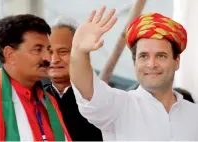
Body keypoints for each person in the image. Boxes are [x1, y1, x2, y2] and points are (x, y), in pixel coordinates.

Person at [69, 6, 198, 140]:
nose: (152, 64)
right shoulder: (119, 106)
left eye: (161, 56)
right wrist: (79, 53)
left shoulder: (194, 115)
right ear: (134, 63)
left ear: (176, 61)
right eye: (144, 56)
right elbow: (87, 90)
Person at [0, 14, 71, 141]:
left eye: (48, 49)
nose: (48, 58)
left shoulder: (48, 101)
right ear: (10, 55)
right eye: (38, 49)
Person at [43, 17, 103, 141]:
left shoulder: (99, 99)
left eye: (63, 51)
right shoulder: (34, 98)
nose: (54, 60)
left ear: (81, 53)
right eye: (49, 52)